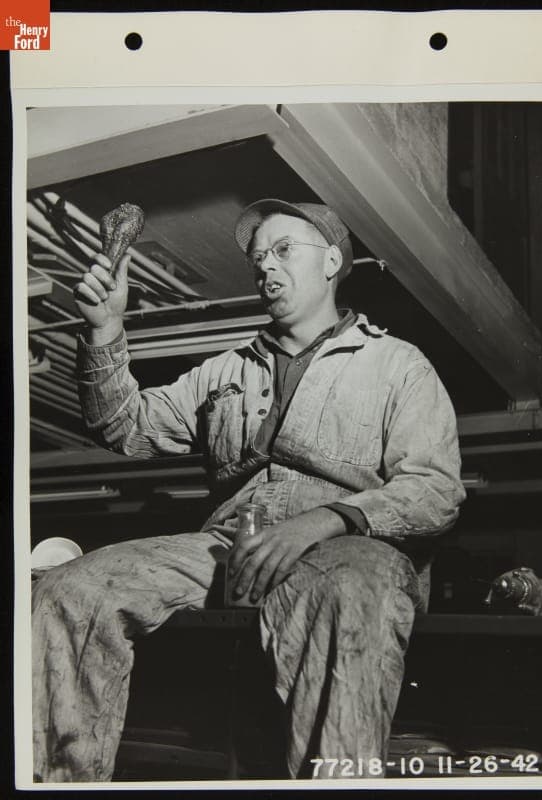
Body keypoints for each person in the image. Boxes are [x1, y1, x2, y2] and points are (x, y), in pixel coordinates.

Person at [32, 199, 466, 782]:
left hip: (346, 544)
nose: (265, 265)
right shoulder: (225, 371)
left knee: (354, 590)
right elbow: (124, 426)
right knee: (66, 591)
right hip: (231, 543)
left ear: (331, 261)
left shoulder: (397, 365)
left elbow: (435, 489)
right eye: (258, 257)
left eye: (283, 250)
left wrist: (327, 519)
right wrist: (105, 329)